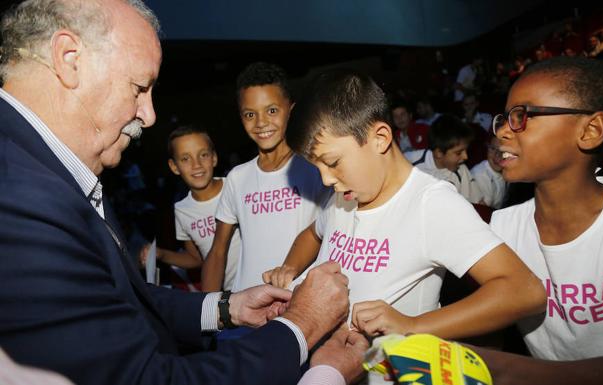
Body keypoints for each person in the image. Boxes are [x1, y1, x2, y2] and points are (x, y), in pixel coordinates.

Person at [0, 1, 364, 384]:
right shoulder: (18, 197)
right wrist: (302, 325)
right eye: (139, 88)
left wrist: (226, 308)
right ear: (69, 59)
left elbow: (122, 302)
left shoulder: (51, 173)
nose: (149, 114)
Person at [264, 68, 545, 345]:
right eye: (318, 168)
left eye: (333, 162)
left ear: (380, 138)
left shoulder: (431, 204)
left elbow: (524, 291)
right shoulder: (345, 196)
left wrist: (413, 326)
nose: (326, 179)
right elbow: (312, 234)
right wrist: (290, 269)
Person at [472, 57, 603, 385]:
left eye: (522, 116)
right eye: (504, 118)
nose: (501, 131)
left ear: (591, 130)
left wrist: (502, 368)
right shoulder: (504, 226)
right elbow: (490, 336)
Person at [201, 62, 330, 292]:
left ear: (291, 109)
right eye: (250, 114)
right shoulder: (237, 178)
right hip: (245, 307)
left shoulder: (317, 169)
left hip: (299, 304)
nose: (261, 123)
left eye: (272, 111)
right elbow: (218, 250)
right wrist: (207, 313)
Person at [138, 125, 242, 291]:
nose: (197, 165)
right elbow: (196, 258)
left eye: (203, 155)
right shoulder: (182, 209)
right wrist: (160, 254)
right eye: (185, 159)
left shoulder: (236, 187)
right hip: (231, 294)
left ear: (214, 158)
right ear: (174, 167)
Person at [405, 114, 485, 204]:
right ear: (439, 153)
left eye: (466, 150)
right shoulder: (409, 161)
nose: (465, 157)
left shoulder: (461, 171)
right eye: (458, 153)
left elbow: (479, 204)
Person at [471, 135, 508, 209]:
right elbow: (485, 211)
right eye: (493, 149)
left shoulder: (509, 171)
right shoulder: (480, 175)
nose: (497, 155)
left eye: (503, 151)